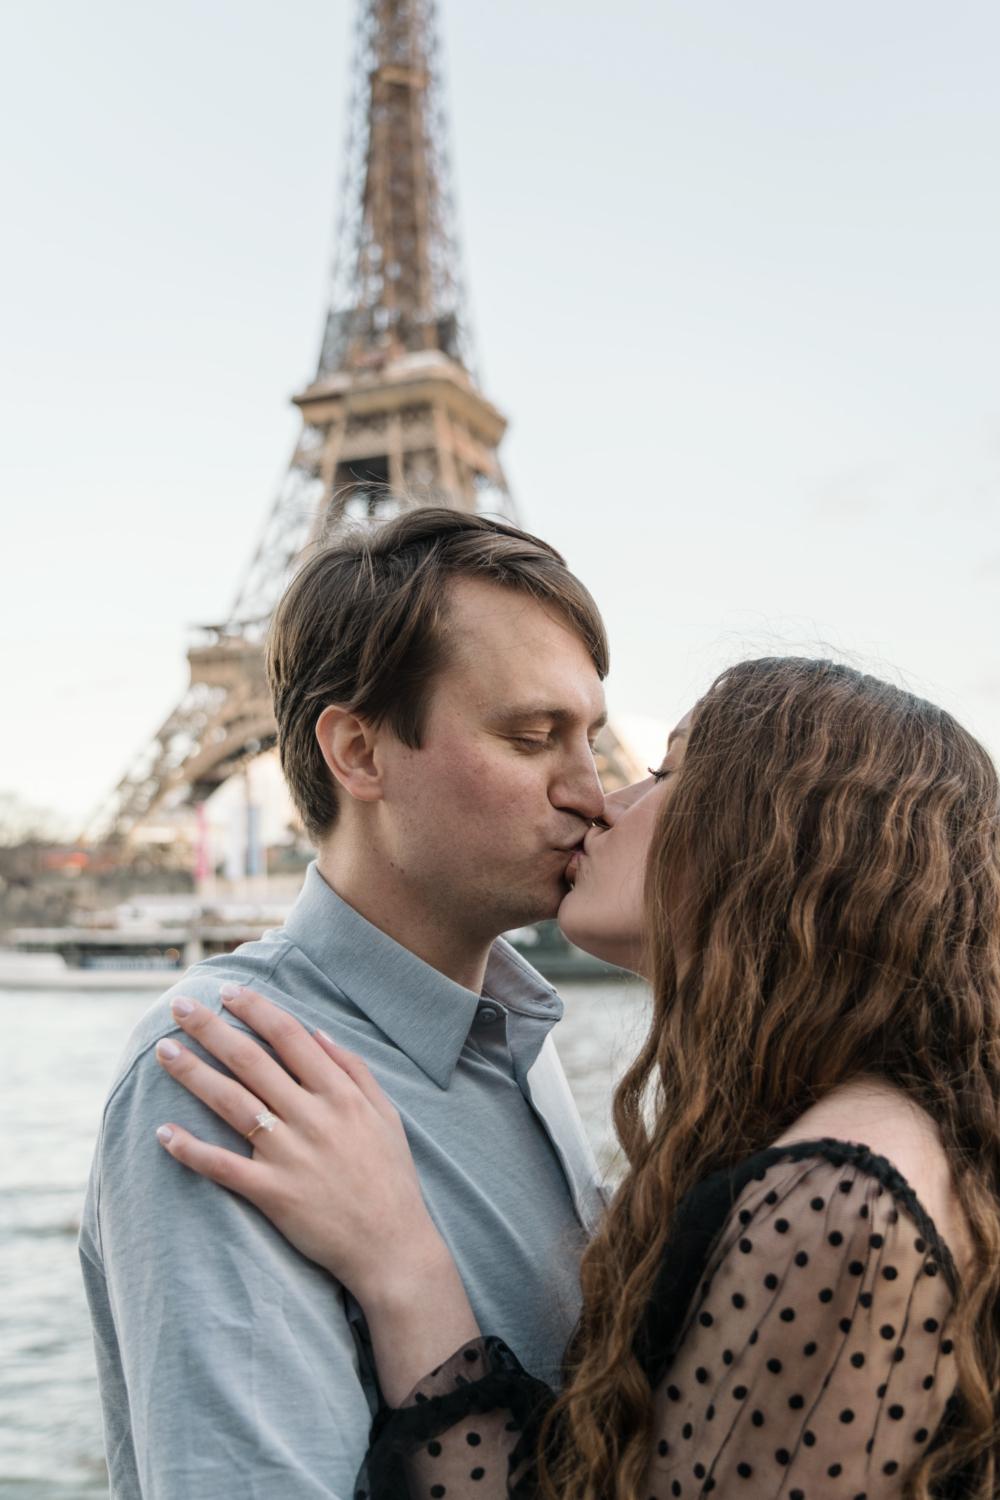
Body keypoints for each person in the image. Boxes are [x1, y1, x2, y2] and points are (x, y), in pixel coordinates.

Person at [154, 658, 1000, 1500]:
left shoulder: (837, 1200)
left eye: (668, 774)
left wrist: (404, 1266)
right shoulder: (879, 1140)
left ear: (790, 840)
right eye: (530, 738)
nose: (606, 800)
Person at [79, 508, 613, 1500]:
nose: (591, 790)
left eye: (591, 737)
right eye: (536, 737)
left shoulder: (517, 1040)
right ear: (359, 754)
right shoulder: (230, 1070)